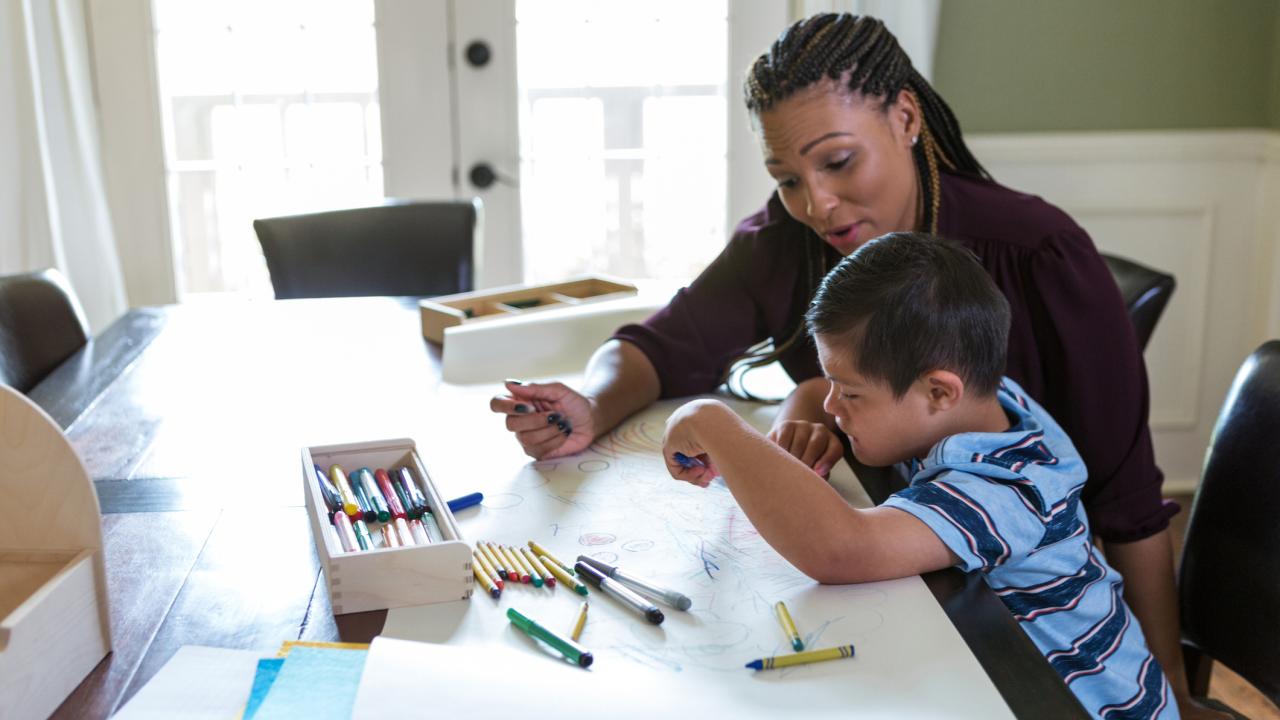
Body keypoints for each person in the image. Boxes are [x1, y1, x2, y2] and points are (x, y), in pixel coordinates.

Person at [491, 13, 1213, 717]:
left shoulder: (1037, 258)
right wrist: (592, 403)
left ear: (905, 118)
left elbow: (1126, 499)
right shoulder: (789, 241)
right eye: (786, 178)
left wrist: (1170, 688)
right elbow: (661, 343)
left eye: (837, 162)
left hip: (1041, 656)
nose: (818, 205)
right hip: (943, 604)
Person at [663, 233, 1177, 719]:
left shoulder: (1004, 489)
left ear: (938, 393)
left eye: (852, 394)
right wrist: (800, 426)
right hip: (997, 667)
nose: (831, 404)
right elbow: (816, 388)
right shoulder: (988, 399)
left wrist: (713, 424)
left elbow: (842, 549)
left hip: (1081, 703)